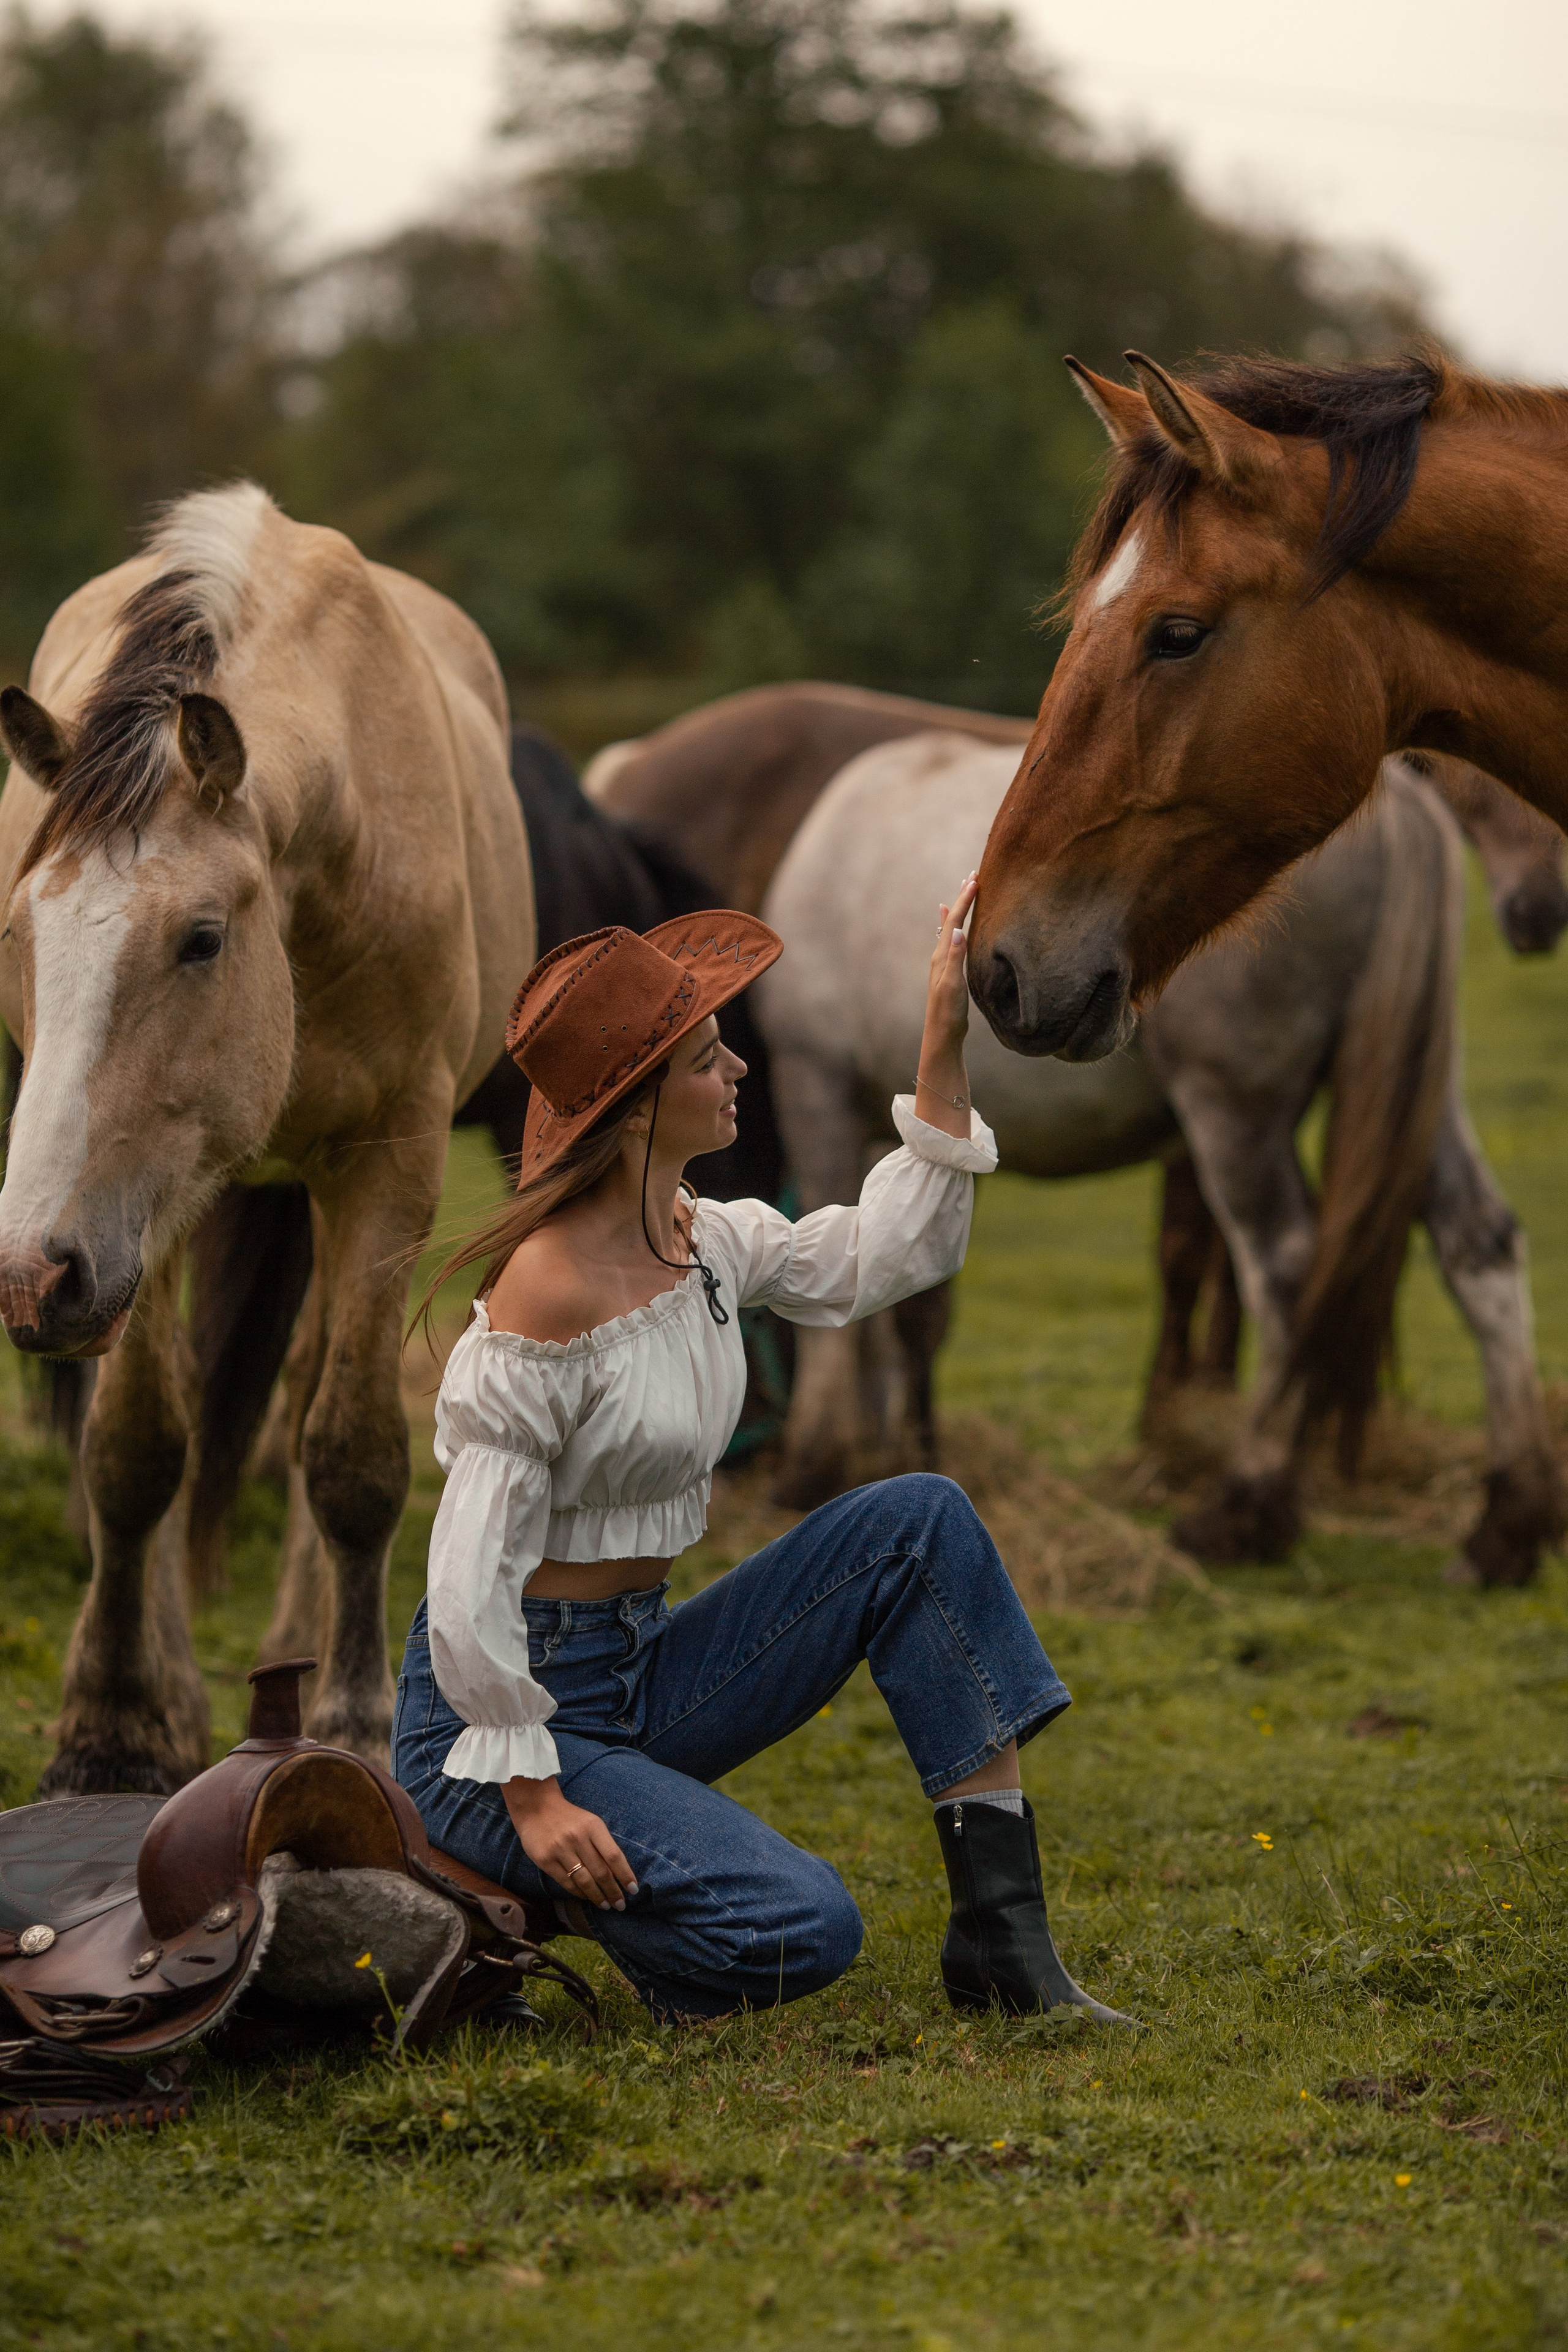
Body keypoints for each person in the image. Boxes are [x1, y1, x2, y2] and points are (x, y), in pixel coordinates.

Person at [394, 886, 1128, 2026]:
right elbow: (465, 1577)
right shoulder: (548, 1287)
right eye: (704, 1058)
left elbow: (884, 1256)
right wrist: (534, 1798)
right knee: (805, 1926)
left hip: (639, 1673)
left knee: (917, 1523)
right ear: (637, 1108)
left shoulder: (706, 1238)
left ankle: (1003, 1942)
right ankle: (506, 1911)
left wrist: (942, 1037)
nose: (736, 1069)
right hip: (498, 1725)